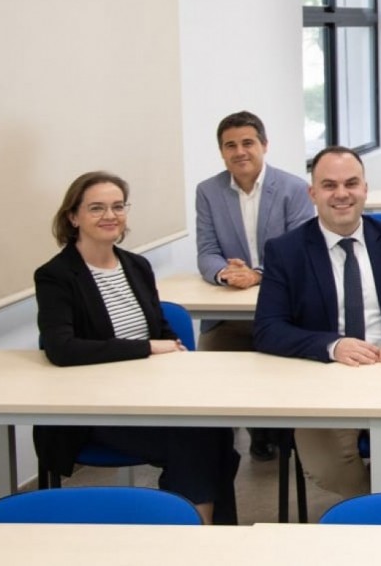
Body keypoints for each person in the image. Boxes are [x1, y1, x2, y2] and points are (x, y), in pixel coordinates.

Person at [34, 172, 240, 524]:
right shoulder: (56, 276)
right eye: (96, 208)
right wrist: (145, 348)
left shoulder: (136, 266)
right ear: (73, 217)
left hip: (150, 398)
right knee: (196, 442)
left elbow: (159, 329)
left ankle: (207, 536)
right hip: (91, 410)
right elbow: (62, 349)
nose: (109, 216)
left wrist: (165, 348)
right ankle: (196, 537)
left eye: (117, 206)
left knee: (217, 429)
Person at [254, 146, 381, 499]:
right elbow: (268, 328)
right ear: (312, 193)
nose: (341, 194)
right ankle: (369, 512)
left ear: (365, 189)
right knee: (330, 469)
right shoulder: (286, 251)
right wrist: (332, 345)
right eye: (329, 185)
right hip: (323, 378)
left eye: (351, 183)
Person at [194, 110, 314, 461]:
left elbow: (300, 250)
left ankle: (279, 430)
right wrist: (225, 274)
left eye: (248, 143)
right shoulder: (208, 191)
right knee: (208, 375)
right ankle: (216, 453)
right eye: (230, 145)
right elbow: (206, 251)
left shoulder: (293, 188)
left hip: (285, 308)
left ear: (264, 145)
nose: (239, 151)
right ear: (221, 152)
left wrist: (258, 273)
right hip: (229, 313)